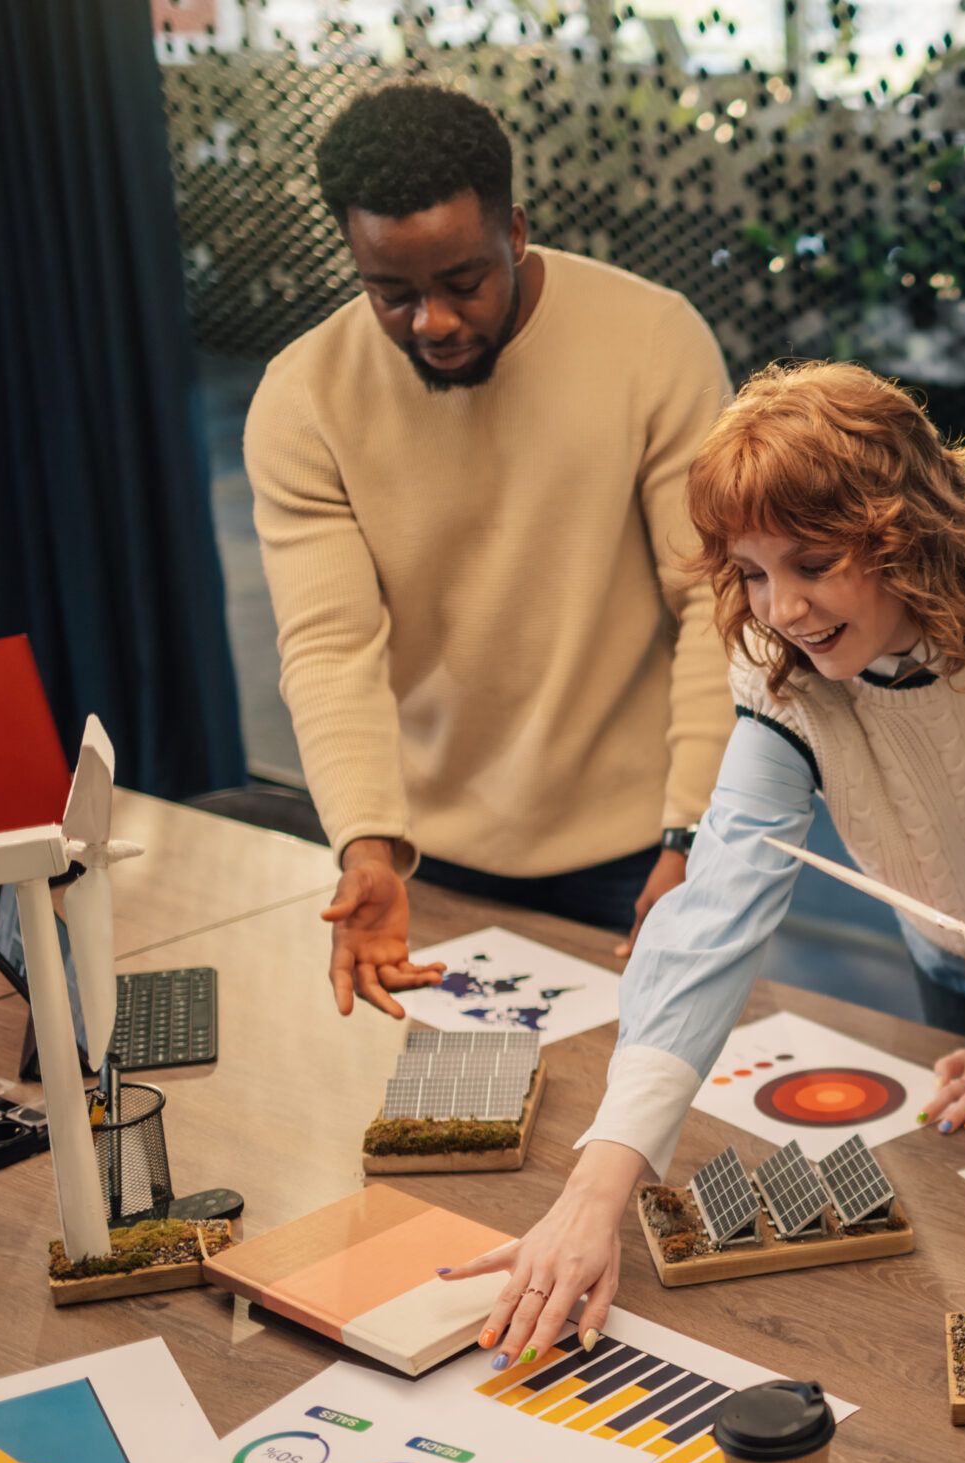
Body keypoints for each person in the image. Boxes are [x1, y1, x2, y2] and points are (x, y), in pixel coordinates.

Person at [447, 363, 965, 1358]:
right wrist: (598, 1185)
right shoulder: (775, 667)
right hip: (951, 914)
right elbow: (718, 902)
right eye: (753, 572)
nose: (784, 609)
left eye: (812, 563)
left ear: (900, 531)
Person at [246, 84, 734, 1016]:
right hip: (430, 856)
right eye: (391, 293)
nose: (431, 320)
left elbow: (714, 604)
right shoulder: (302, 399)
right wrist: (366, 844)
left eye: (461, 282)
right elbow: (328, 650)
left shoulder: (652, 341)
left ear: (514, 230)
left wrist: (694, 834)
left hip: (645, 845)